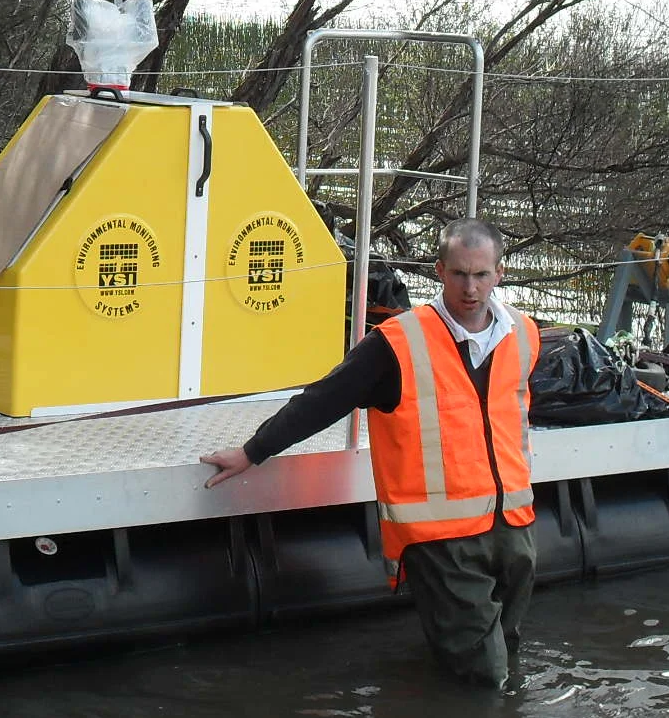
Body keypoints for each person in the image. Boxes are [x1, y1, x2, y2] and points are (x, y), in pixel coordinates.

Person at [200, 219, 540, 691]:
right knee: (483, 676)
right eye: (459, 274)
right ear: (439, 271)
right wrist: (253, 451)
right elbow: (323, 400)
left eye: (481, 275)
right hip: (440, 538)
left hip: (514, 527)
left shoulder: (523, 334)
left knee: (505, 655)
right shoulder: (397, 344)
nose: (470, 287)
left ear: (499, 274)